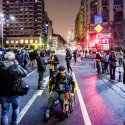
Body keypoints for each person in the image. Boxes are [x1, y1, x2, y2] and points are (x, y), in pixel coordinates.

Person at [0, 51, 28, 125]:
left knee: (4, 113)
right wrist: (18, 65)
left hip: (3, 93)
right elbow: (25, 73)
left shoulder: (0, 65)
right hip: (14, 92)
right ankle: (14, 123)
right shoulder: (15, 66)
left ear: (5, 57)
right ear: (13, 58)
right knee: (15, 109)